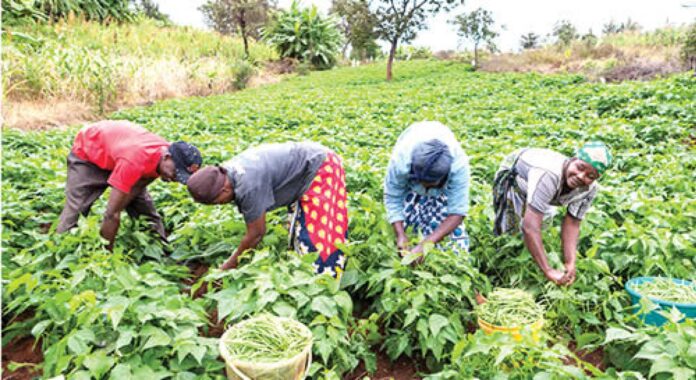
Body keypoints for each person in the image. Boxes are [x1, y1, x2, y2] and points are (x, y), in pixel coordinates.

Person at [186, 142, 348, 277]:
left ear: (224, 191)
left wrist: (227, 267)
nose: (220, 205)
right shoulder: (228, 173)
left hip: (321, 165)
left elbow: (256, 234)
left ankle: (324, 286)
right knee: (298, 229)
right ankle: (302, 274)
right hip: (303, 168)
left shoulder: (247, 187)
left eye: (217, 202)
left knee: (318, 236)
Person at [56, 120, 202, 249]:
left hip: (118, 151)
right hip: (90, 152)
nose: (175, 179)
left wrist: (127, 201)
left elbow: (136, 188)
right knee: (78, 208)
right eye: (176, 173)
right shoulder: (136, 161)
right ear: (167, 157)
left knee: (145, 212)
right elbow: (111, 215)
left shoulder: (163, 162)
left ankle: (159, 250)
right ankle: (61, 248)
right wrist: (108, 254)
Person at [492, 141, 612, 286]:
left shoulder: (589, 189)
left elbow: (573, 222)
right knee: (509, 232)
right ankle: (501, 271)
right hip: (517, 178)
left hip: (547, 188)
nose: (581, 176)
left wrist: (570, 262)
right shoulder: (549, 174)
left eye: (590, 176)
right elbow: (530, 227)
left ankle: (533, 259)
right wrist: (548, 270)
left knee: (541, 227)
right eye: (580, 167)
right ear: (572, 159)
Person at [384, 121, 470, 260]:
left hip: (443, 183)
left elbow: (457, 212)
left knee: (453, 246)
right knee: (408, 228)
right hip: (412, 159)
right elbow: (393, 197)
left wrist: (426, 244)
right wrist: (400, 234)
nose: (426, 188)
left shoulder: (458, 166)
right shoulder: (401, 162)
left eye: (431, 184)